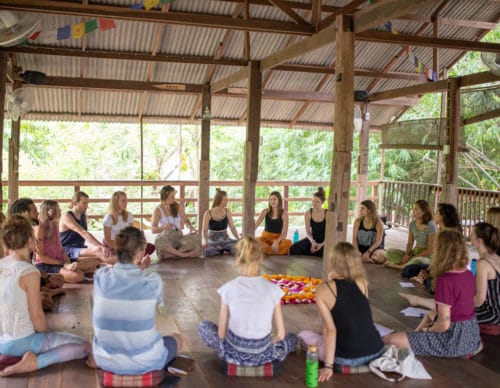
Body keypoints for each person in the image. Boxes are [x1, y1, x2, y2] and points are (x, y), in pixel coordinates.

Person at [0, 215, 91, 377]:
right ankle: (34, 363)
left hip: (2, 341)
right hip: (23, 340)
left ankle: (19, 358)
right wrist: (48, 336)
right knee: (85, 346)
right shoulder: (28, 271)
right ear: (29, 241)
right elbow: (36, 316)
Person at [91, 226, 182, 375]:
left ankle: (105, 358)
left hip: (105, 360)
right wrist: (143, 268)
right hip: (145, 361)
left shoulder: (100, 276)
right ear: (140, 253)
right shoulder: (152, 281)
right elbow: (161, 309)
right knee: (177, 339)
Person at [198, 237, 297, 366]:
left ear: (238, 261)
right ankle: (260, 356)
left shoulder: (229, 288)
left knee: (204, 326)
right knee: (292, 339)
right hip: (263, 353)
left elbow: (221, 335)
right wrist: (264, 344)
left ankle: (234, 358)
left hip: (234, 352)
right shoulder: (273, 289)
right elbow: (281, 335)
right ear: (260, 259)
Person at [385, 229, 481, 358]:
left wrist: (429, 331)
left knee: (390, 340)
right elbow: (452, 306)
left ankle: (416, 341)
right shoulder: (468, 274)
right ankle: (415, 338)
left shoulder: (446, 280)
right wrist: (417, 300)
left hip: (453, 340)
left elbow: (444, 324)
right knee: (431, 315)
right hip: (472, 334)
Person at [298, 242, 384, 382]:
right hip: (376, 351)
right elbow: (357, 314)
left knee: (304, 335)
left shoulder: (323, 289)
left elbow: (330, 330)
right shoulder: (362, 282)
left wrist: (328, 366)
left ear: (332, 261)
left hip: (346, 359)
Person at [35, 200, 97, 283]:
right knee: (78, 276)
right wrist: (64, 264)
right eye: (58, 209)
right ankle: (69, 273)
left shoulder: (55, 224)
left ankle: (73, 270)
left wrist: (67, 261)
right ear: (51, 212)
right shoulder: (40, 229)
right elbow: (40, 257)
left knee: (94, 263)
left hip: (60, 260)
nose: (60, 210)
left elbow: (61, 248)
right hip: (46, 264)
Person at [401, 203, 461, 281]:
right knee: (408, 270)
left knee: (432, 285)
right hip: (436, 266)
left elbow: (446, 260)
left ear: (443, 216)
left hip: (447, 270)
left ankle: (423, 280)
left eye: (437, 213)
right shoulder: (440, 231)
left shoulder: (449, 235)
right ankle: (423, 278)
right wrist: (428, 270)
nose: (434, 215)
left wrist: (431, 273)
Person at [59, 191, 113, 264]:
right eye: (84, 203)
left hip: (80, 247)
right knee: (99, 252)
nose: (87, 206)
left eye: (87, 203)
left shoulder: (83, 216)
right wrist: (102, 246)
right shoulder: (66, 216)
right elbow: (83, 232)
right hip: (67, 249)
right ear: (75, 203)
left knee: (99, 250)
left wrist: (100, 246)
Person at [151, 185, 201, 259]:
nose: (174, 198)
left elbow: (186, 220)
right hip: (167, 238)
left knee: (198, 237)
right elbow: (153, 229)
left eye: (174, 196)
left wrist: (191, 228)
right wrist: (164, 227)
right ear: (165, 196)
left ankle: (173, 254)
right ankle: (183, 254)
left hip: (179, 238)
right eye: (172, 197)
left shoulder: (178, 207)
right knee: (159, 240)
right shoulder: (158, 210)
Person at [385, 199, 436, 269]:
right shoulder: (412, 224)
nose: (413, 211)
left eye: (416, 209)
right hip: (415, 252)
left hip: (427, 255)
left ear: (424, 211)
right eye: (413, 209)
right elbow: (410, 243)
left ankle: (400, 266)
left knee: (418, 260)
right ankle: (408, 265)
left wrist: (413, 257)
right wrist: (407, 255)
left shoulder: (430, 225)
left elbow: (431, 249)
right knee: (389, 252)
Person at [201, 189, 239, 257]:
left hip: (226, 239)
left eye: (227, 199)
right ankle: (222, 251)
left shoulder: (227, 211)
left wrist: (238, 238)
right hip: (213, 241)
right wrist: (204, 240)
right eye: (225, 200)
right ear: (219, 200)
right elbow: (204, 230)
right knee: (206, 250)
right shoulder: (208, 213)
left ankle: (221, 250)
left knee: (239, 246)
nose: (227, 201)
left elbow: (232, 227)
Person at [290, 187, 326, 257]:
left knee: (326, 252)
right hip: (312, 239)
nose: (314, 204)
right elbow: (307, 232)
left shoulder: (326, 213)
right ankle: (315, 251)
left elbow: (330, 235)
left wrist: (321, 245)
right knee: (293, 249)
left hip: (324, 242)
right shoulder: (308, 213)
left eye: (317, 202)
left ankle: (317, 251)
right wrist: (312, 241)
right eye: (313, 201)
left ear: (322, 202)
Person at [352, 200, 386, 264]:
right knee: (345, 253)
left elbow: (378, 241)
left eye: (363, 208)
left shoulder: (378, 223)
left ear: (369, 210)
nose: (360, 210)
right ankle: (365, 258)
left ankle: (367, 258)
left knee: (380, 257)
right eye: (360, 208)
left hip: (373, 250)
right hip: (360, 248)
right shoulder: (358, 221)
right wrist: (357, 251)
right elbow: (354, 239)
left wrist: (368, 252)